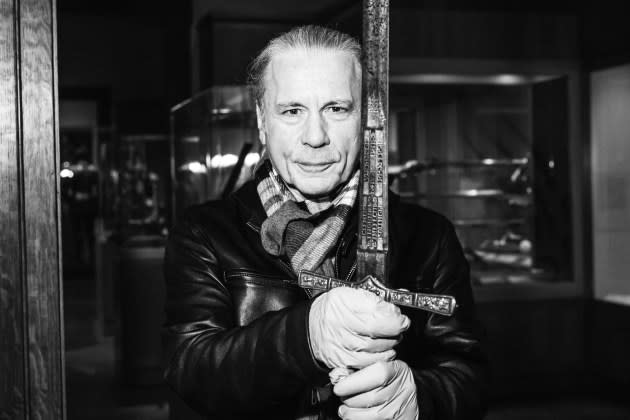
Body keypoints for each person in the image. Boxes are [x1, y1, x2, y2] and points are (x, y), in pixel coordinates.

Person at [163, 25, 488, 420]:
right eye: (292, 110)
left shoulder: (427, 236)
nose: (315, 136)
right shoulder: (205, 235)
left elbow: (469, 376)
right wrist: (306, 336)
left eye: (336, 109)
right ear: (263, 122)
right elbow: (192, 373)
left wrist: (420, 399)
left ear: (366, 120)